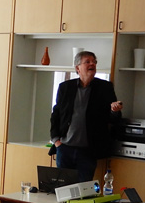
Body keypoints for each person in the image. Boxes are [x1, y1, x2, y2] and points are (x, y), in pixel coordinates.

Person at [50, 51, 123, 182]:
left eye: (94, 62)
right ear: (77, 68)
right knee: (62, 189)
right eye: (87, 62)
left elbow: (113, 119)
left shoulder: (104, 87)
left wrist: (115, 110)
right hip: (65, 148)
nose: (92, 64)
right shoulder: (65, 87)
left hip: (88, 151)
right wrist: (56, 141)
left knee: (84, 191)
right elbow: (56, 115)